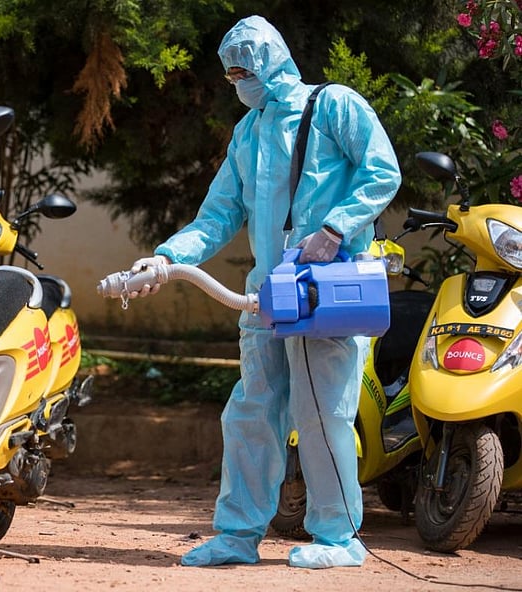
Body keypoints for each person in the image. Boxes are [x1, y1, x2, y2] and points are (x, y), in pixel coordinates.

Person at [128, 15, 401, 569]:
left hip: (326, 287)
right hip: (265, 295)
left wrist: (334, 229)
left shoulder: (333, 106)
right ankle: (236, 534)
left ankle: (338, 537)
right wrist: (167, 257)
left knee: (323, 412)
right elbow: (219, 214)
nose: (240, 82)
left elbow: (382, 171)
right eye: (231, 75)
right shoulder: (248, 131)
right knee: (251, 412)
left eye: (245, 69)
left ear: (273, 58)